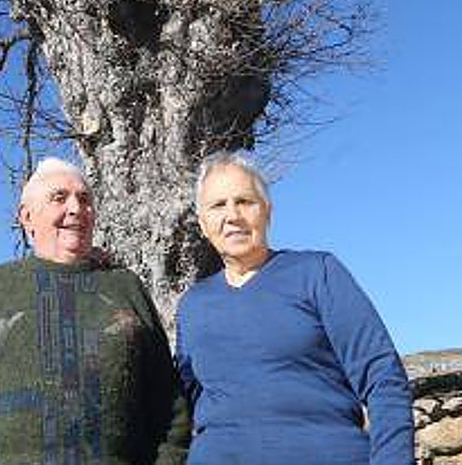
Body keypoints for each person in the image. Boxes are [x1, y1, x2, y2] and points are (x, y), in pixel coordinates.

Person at [175, 151, 414, 465]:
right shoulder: (193, 305)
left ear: (267, 212)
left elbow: (382, 377)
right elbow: (181, 406)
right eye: (218, 205)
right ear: (203, 224)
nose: (232, 215)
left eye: (245, 201)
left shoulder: (317, 273)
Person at [0, 158, 190, 465]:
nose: (76, 208)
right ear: (27, 216)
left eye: (85, 199)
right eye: (59, 197)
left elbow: (169, 403)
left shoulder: (125, 286)